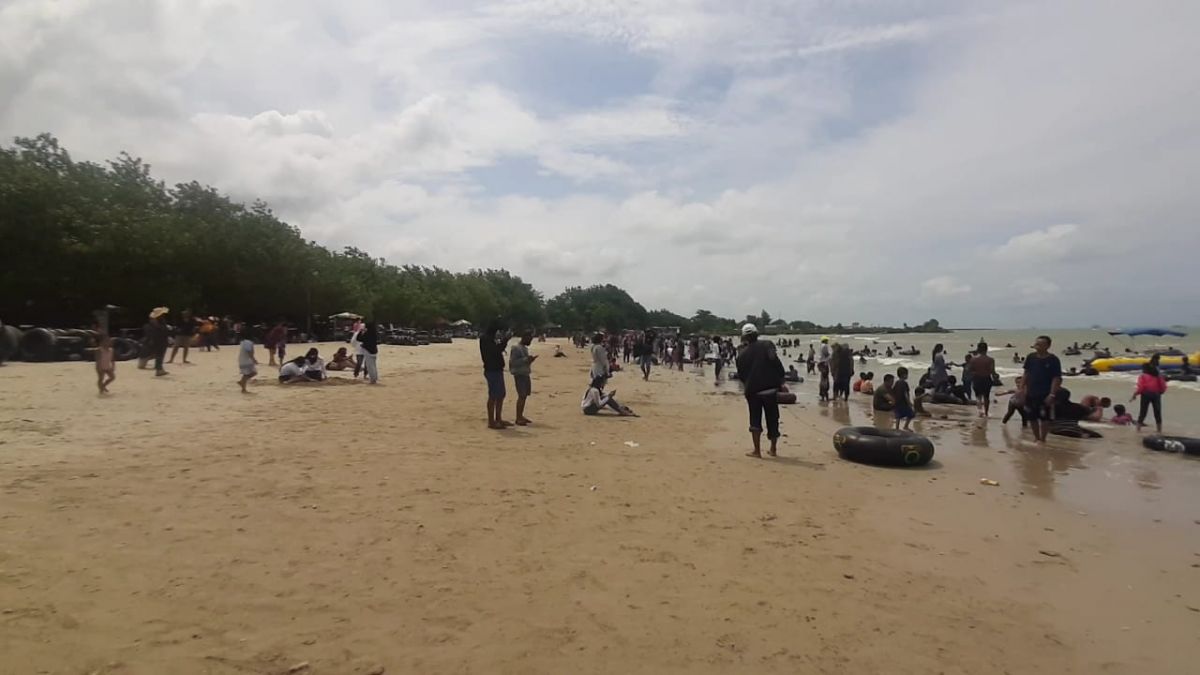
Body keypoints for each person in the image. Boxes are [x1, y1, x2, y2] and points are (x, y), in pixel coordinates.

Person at [734, 323, 785, 459]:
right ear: (757, 334)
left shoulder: (741, 355)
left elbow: (742, 375)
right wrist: (781, 381)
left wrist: (749, 385)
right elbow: (777, 364)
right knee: (773, 419)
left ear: (744, 337)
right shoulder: (767, 345)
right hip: (770, 390)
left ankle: (757, 451)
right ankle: (773, 449)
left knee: (755, 420)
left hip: (753, 391)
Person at [1021, 335, 1063, 443]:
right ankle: (1036, 437)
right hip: (1031, 392)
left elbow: (1056, 378)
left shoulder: (1053, 360)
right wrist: (1021, 389)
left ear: (1047, 346)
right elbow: (1026, 373)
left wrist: (1052, 394)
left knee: (1045, 418)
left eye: (1040, 344)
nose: (1037, 346)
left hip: (1045, 393)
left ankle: (1043, 439)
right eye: (1036, 343)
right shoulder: (1030, 357)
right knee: (1032, 417)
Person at [481, 322, 509, 429]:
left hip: (495, 370)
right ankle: (491, 421)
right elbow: (497, 350)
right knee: (494, 396)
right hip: (492, 370)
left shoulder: (488, 339)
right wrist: (505, 340)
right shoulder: (486, 339)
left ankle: (498, 419)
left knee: (500, 395)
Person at [509, 332, 537, 426]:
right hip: (519, 374)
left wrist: (529, 361)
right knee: (521, 395)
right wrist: (526, 360)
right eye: (529, 339)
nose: (530, 341)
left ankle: (520, 415)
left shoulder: (524, 348)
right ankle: (518, 417)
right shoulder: (516, 348)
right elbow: (513, 363)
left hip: (525, 373)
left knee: (524, 396)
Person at [1131, 362, 1167, 433]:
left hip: (1146, 394)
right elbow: (1163, 385)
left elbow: (1141, 387)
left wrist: (1135, 394)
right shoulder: (1158, 375)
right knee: (1157, 412)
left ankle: (1138, 429)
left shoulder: (1143, 376)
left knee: (1143, 411)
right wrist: (1161, 392)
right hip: (1156, 394)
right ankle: (1159, 430)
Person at [138, 307, 171, 376]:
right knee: (160, 355)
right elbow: (161, 331)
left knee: (158, 355)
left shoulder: (151, 323)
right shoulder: (160, 322)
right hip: (160, 340)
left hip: (157, 340)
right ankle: (159, 370)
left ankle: (159, 369)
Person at [892, 366, 915, 431]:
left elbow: (893, 391)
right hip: (903, 402)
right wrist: (909, 403)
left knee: (898, 416)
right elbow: (906, 394)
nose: (907, 375)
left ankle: (897, 428)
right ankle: (906, 426)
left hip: (897, 402)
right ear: (903, 375)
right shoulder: (904, 383)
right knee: (911, 414)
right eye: (907, 374)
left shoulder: (896, 382)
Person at [95, 325, 115, 394]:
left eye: (108, 341)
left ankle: (103, 386)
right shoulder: (99, 350)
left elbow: (112, 359)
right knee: (101, 378)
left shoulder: (111, 350)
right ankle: (100, 390)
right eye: (106, 341)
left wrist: (113, 366)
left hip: (107, 366)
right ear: (101, 342)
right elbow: (98, 360)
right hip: (100, 367)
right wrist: (99, 367)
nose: (107, 342)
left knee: (112, 377)